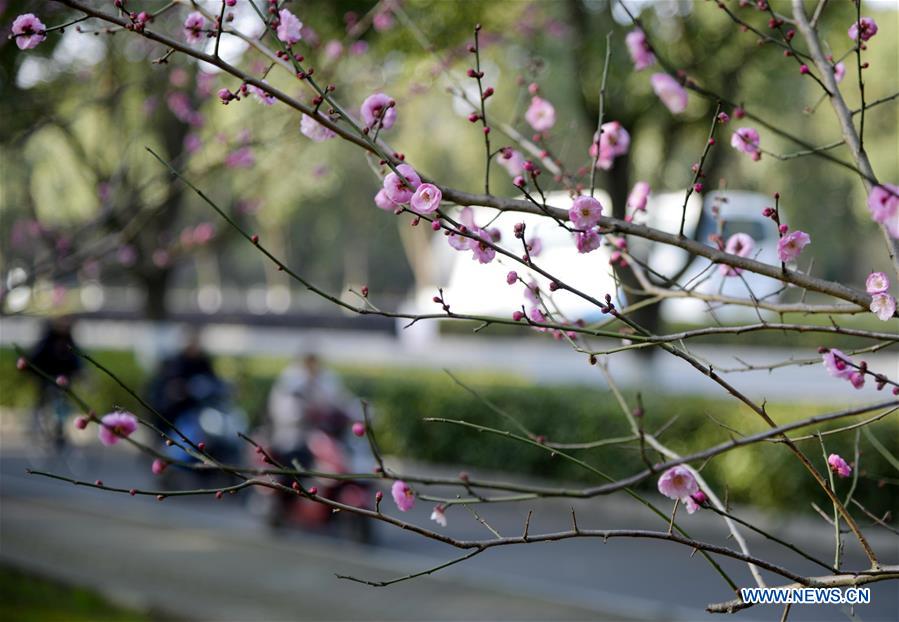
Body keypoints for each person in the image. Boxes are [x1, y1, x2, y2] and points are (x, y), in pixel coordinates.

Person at [267, 351, 351, 466]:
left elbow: (337, 401)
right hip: (293, 438)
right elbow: (285, 412)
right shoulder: (291, 379)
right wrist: (307, 412)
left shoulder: (326, 378)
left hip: (320, 436)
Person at [28, 316, 81, 447]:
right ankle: (39, 425)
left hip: (64, 379)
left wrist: (81, 373)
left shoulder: (69, 341)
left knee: (63, 403)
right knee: (44, 401)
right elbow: (35, 358)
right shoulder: (47, 340)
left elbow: (77, 360)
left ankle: (59, 430)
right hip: (47, 378)